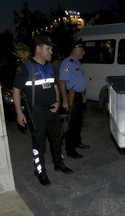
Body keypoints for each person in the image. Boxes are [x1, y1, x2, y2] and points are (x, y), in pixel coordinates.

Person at [12, 35, 73, 186]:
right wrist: (19, 113)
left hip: (52, 109)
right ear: (38, 49)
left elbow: (54, 85)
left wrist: (58, 101)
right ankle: (40, 172)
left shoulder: (49, 65)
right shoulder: (26, 67)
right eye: (48, 48)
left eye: (51, 48)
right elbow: (16, 90)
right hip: (37, 113)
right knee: (39, 144)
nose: (51, 51)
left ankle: (59, 163)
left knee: (57, 138)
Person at [58, 40, 90, 159]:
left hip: (79, 95)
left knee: (79, 122)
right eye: (82, 50)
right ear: (76, 51)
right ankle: (70, 149)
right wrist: (65, 100)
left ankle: (77, 142)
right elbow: (62, 82)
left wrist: (83, 94)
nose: (84, 53)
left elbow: (79, 81)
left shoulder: (77, 63)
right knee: (71, 123)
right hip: (72, 96)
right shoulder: (68, 63)